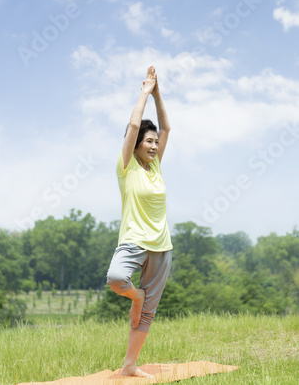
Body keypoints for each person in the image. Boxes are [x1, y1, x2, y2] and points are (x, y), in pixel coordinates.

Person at [107, 65, 173, 378]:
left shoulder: (155, 167)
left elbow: (167, 129)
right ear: (135, 145)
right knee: (117, 278)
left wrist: (159, 93)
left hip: (162, 248)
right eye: (148, 141)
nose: (154, 145)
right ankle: (137, 296)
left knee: (148, 314)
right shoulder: (126, 168)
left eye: (155, 142)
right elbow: (134, 125)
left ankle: (130, 365)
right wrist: (144, 92)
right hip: (134, 241)